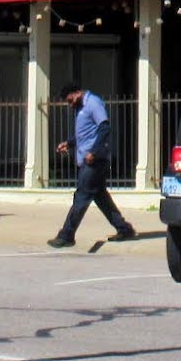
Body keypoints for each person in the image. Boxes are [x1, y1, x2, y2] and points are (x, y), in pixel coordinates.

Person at [47, 84, 138, 249]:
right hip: (88, 159)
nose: (70, 104)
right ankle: (124, 229)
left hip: (95, 160)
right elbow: (86, 133)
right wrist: (69, 143)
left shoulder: (93, 103)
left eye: (70, 100)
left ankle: (66, 235)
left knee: (81, 196)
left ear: (77, 93)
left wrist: (94, 152)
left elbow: (104, 127)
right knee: (100, 197)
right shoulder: (81, 107)